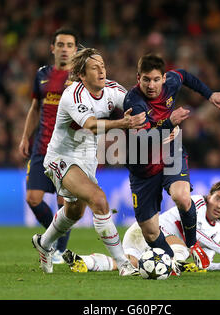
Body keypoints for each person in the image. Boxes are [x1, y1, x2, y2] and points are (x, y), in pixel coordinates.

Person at [31, 47, 146, 276]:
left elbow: (139, 105)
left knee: (74, 212)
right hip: (61, 157)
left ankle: (44, 243)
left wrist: (159, 123)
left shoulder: (112, 90)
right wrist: (124, 124)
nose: (102, 70)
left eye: (103, 65)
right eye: (95, 67)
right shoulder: (73, 94)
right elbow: (91, 124)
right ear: (82, 75)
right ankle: (123, 264)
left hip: (87, 158)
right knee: (99, 200)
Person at [122, 54, 220, 273]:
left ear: (164, 78)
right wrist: (169, 122)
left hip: (170, 153)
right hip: (142, 165)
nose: (151, 85)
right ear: (138, 78)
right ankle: (173, 263)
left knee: (182, 197)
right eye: (146, 79)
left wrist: (209, 94)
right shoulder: (133, 101)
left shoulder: (172, 82)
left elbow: (184, 76)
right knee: (150, 232)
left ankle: (192, 244)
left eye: (156, 79)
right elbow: (145, 141)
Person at [62, 181, 220, 273]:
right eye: (217, 198)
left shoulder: (218, 230)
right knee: (183, 248)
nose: (219, 205)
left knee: (129, 264)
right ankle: (173, 266)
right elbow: (192, 232)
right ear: (209, 196)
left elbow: (202, 263)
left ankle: (85, 261)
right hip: (146, 231)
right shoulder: (195, 202)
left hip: (154, 244)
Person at [19, 28, 79, 264]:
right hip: (41, 148)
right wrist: (25, 137)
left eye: (69, 45)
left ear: (76, 50)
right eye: (60, 44)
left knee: (64, 204)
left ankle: (58, 251)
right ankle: (54, 237)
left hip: (68, 150)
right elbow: (35, 108)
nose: (64, 49)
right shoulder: (41, 75)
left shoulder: (81, 77)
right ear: (52, 48)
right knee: (33, 198)